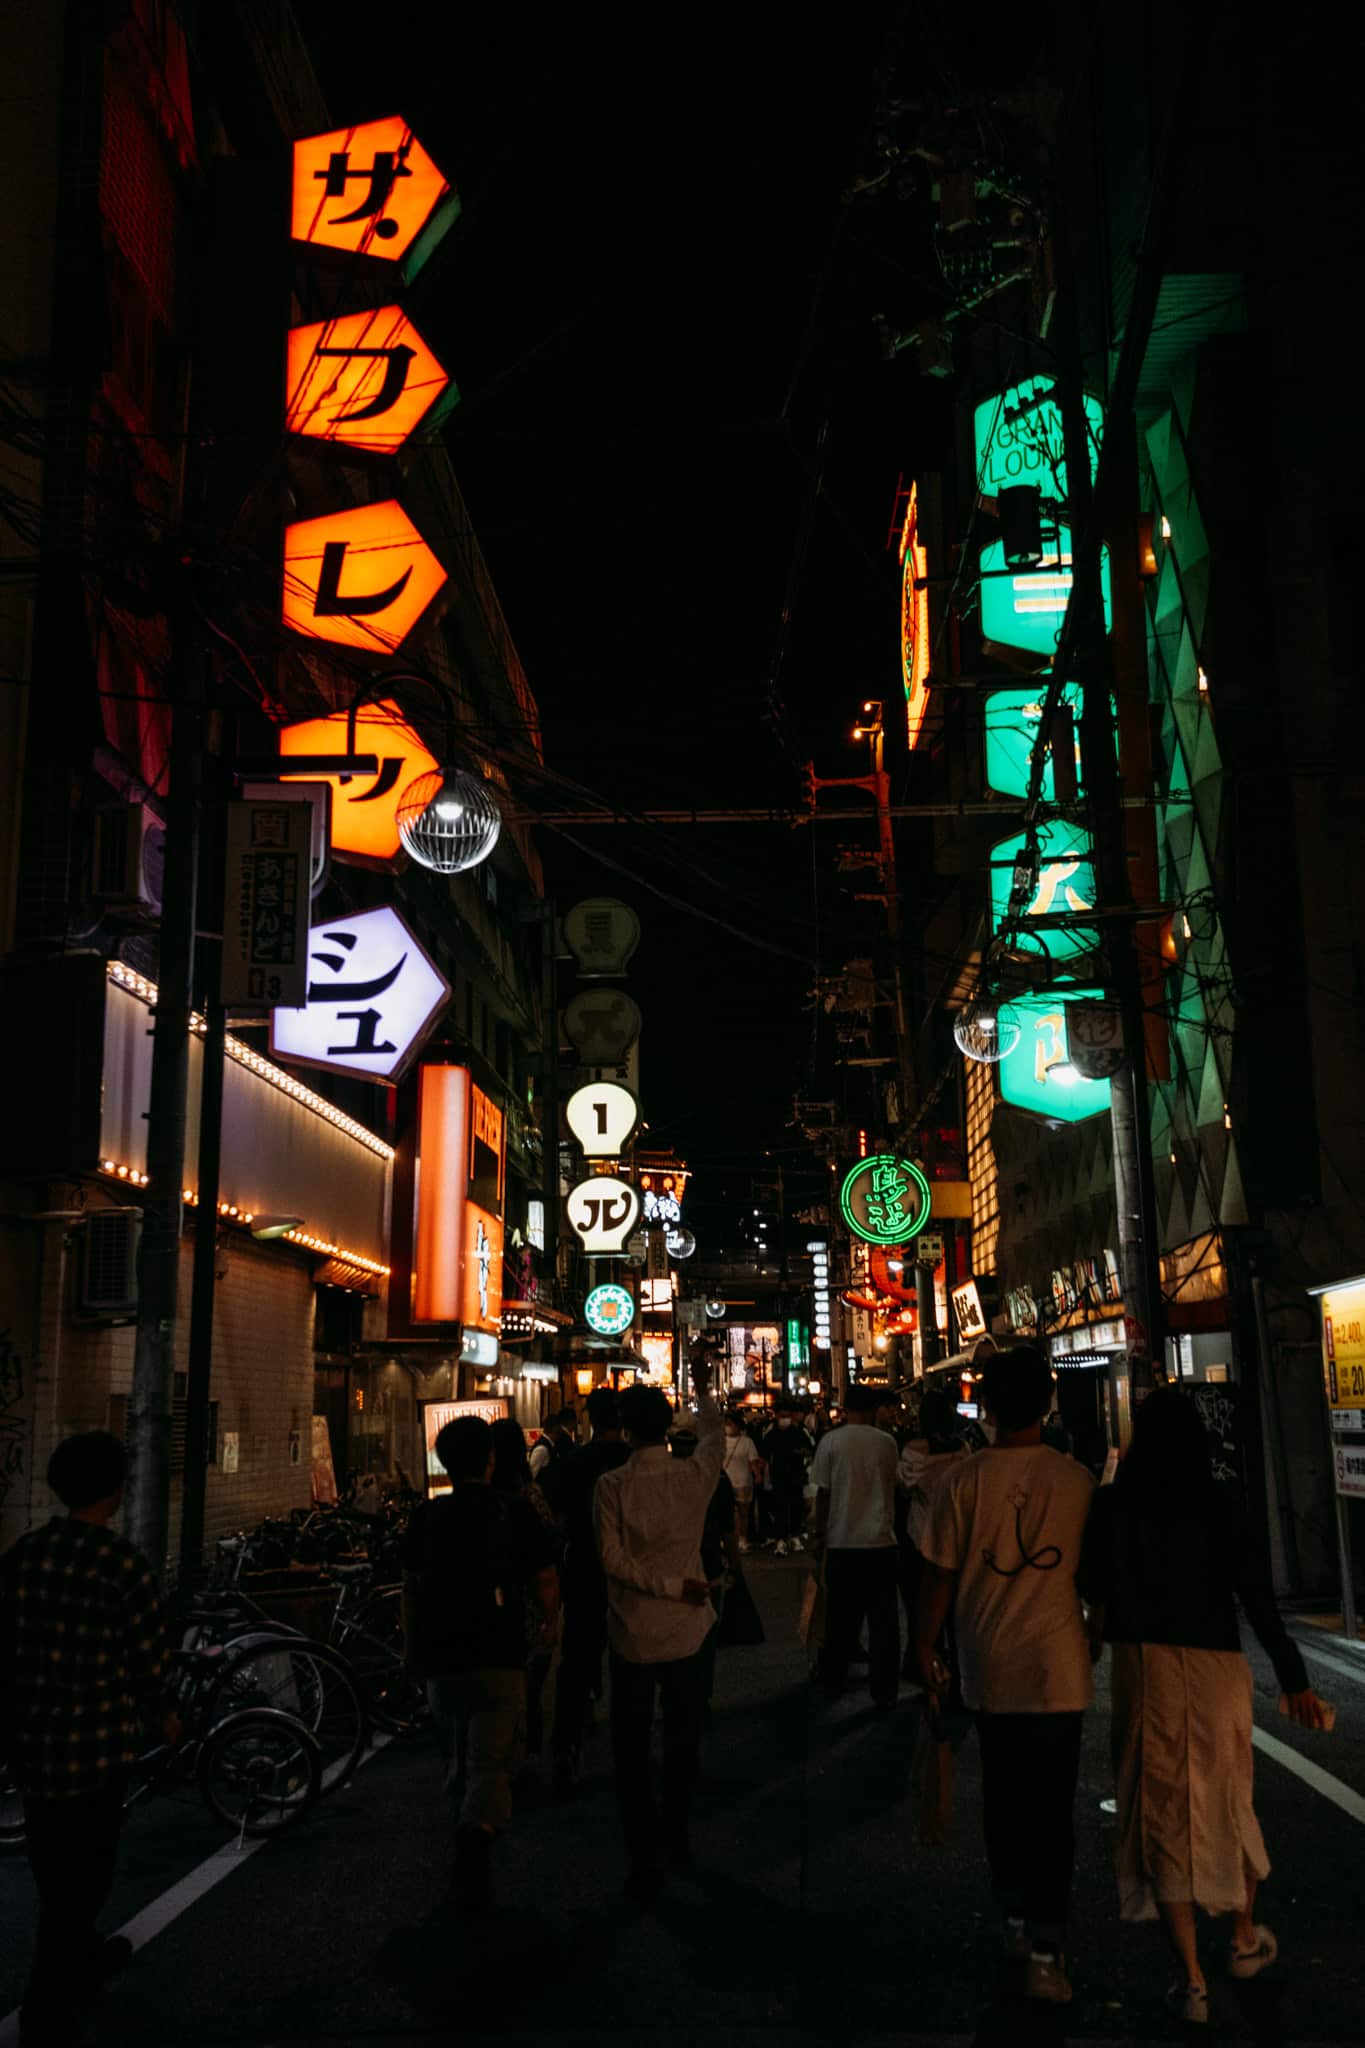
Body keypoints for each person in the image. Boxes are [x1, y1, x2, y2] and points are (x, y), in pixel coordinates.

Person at [1077, 1388, 1331, 2026]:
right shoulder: (1222, 1505)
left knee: (1159, 1809)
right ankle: (1243, 1938)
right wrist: (1293, 1677)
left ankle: (1190, 1980)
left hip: (1145, 1667)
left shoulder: (1113, 1505)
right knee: (1227, 1797)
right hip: (1218, 1666)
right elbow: (1258, 1599)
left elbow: (1090, 1584)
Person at [916, 1346, 1096, 2005]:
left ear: (985, 1405)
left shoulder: (960, 1483)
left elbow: (937, 1574)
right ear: (1046, 1402)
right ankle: (1048, 1952)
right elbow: (1092, 1578)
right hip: (1058, 1668)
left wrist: (922, 1643)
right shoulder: (1074, 1480)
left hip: (986, 1661)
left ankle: (1014, 1922)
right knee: (1052, 1813)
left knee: (1003, 1801)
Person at [0, 1431, 175, 2048]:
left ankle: (82, 1960)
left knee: (55, 1872)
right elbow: (149, 1659)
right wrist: (166, 1715)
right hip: (96, 1745)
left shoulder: (24, 1555)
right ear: (113, 1490)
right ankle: (46, 2007)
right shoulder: (120, 1565)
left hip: (33, 1744)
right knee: (86, 1877)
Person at [401, 1416, 559, 1912]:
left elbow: (409, 1590)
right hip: (499, 1653)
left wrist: (411, 1650)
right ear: (491, 1459)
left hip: (441, 1658)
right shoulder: (513, 1512)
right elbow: (545, 1579)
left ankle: (465, 1820)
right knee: (492, 1760)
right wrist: (547, 1623)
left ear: (444, 1463)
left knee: (457, 1751)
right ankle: (474, 1846)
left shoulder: (425, 1517)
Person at [593, 1351, 724, 1902]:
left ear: (624, 1429)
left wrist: (663, 1587)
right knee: (683, 1738)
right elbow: (715, 1432)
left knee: (630, 1747)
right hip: (690, 1628)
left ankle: (642, 1854)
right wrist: (699, 1381)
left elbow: (612, 1561)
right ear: (668, 1426)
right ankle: (677, 1835)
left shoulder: (612, 1487)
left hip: (632, 1633)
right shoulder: (694, 1476)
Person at [542, 1387, 631, 1795]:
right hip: (633, 1574)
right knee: (635, 1658)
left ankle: (566, 1746)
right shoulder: (635, 1463)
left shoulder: (571, 1463)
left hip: (584, 1568)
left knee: (576, 1659)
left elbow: (556, 1519)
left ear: (590, 1420)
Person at [810, 1383, 901, 1707]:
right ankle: (885, 1688)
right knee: (884, 1623)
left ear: (846, 1408)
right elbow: (894, 1485)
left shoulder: (830, 1442)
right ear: (873, 1409)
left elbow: (823, 1493)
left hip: (842, 1541)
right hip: (881, 1542)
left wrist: (818, 1536)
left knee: (840, 1619)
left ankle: (833, 1680)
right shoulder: (887, 1443)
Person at [488, 1417, 561, 1774]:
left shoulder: (480, 1503)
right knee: (526, 1691)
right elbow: (548, 1560)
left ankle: (504, 1758)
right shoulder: (530, 1498)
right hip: (529, 1608)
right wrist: (552, 1616)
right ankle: (524, 1752)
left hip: (489, 1611)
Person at [897, 1389, 973, 1674]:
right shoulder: (963, 1450)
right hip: (957, 1537)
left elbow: (905, 1486)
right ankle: (959, 1673)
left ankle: (929, 1668)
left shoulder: (913, 1451)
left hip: (920, 1538)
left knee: (923, 1608)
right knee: (956, 1613)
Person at [759, 1403, 812, 1553]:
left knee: (796, 1506)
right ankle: (780, 1539)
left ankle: (794, 1536)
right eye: (783, 1416)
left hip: (796, 1475)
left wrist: (802, 1452)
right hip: (779, 1476)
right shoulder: (772, 1434)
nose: (786, 1419)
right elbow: (764, 1455)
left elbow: (809, 1451)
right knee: (780, 1508)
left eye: (788, 1416)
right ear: (776, 1416)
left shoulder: (799, 1432)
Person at [722, 1411, 761, 1550]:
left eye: (730, 1424)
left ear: (738, 1425)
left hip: (743, 1481)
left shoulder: (747, 1442)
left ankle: (742, 1538)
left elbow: (753, 1462)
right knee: (728, 1514)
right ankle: (729, 1539)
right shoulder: (720, 1441)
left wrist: (757, 1475)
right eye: (726, 1424)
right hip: (725, 1483)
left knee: (743, 1513)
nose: (727, 1426)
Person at [529, 1407, 577, 1480]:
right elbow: (532, 1474)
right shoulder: (542, 1448)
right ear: (555, 1428)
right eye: (559, 1427)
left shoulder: (550, 1445)